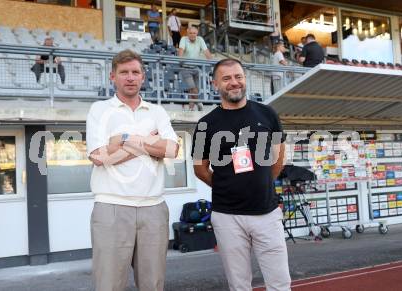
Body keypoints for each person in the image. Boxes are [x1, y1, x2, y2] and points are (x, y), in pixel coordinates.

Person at [191, 58, 290, 291]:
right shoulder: (206, 124)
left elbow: (279, 157)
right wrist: (227, 186)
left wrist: (263, 182)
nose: (234, 83)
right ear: (215, 83)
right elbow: (199, 168)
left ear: (244, 79)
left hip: (267, 213)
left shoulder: (267, 114)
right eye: (226, 78)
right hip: (227, 217)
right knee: (239, 285)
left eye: (238, 77)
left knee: (280, 283)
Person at [86, 49, 179, 291]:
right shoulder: (99, 109)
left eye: (135, 72)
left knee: (153, 284)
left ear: (143, 77)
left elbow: (171, 150)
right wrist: (147, 142)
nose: (130, 77)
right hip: (112, 206)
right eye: (124, 72)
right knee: (109, 284)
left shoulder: (157, 111)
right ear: (112, 77)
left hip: (153, 207)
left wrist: (124, 140)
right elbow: (98, 156)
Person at [178, 26, 212, 111]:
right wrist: (180, 59)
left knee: (192, 90)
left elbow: (206, 51)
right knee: (193, 87)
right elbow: (181, 50)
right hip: (185, 67)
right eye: (190, 33)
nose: (192, 35)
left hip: (196, 67)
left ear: (197, 33)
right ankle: (199, 102)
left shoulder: (200, 39)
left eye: (194, 33)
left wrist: (212, 62)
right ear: (187, 33)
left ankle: (191, 108)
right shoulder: (183, 39)